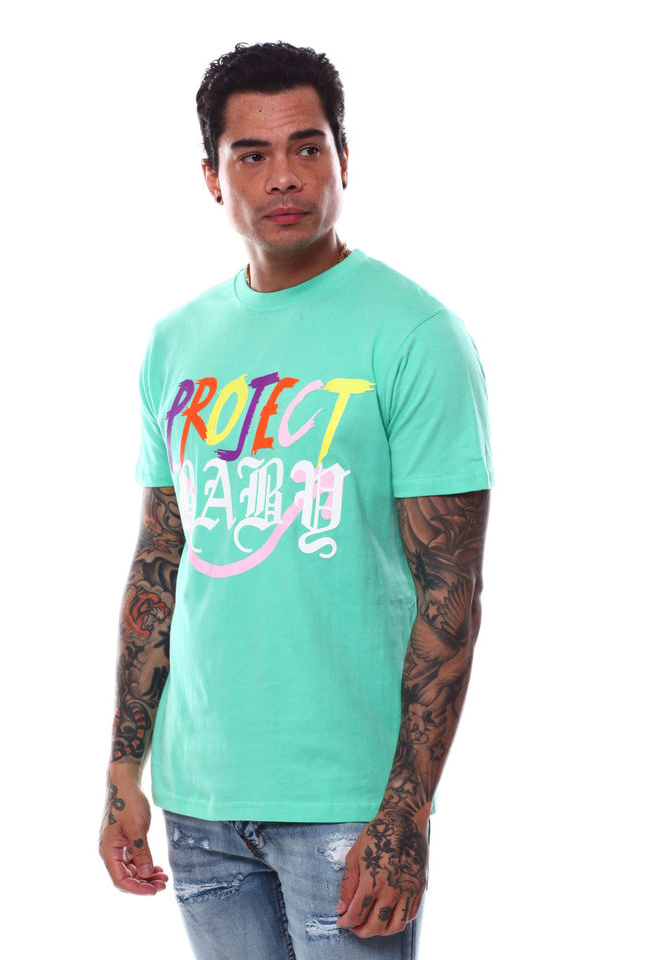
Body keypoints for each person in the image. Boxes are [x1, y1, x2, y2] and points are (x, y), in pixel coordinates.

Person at [99, 40, 492, 960]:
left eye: (308, 148)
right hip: (199, 799)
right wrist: (125, 768)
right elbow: (160, 562)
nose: (284, 177)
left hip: (345, 804)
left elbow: (451, 591)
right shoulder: (176, 341)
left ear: (343, 160)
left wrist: (405, 812)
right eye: (252, 154)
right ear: (212, 177)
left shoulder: (415, 334)